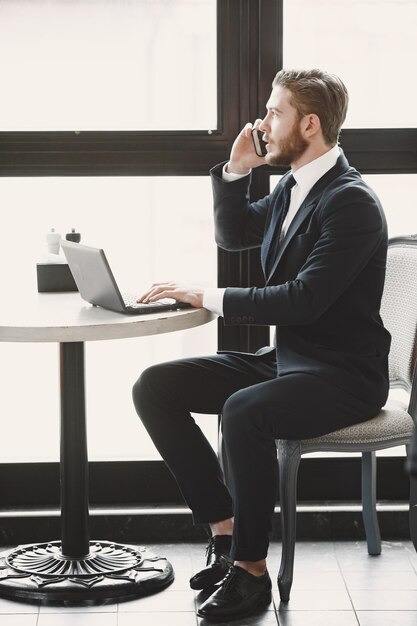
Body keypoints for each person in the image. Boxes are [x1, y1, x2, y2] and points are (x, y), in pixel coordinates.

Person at [132, 68, 391, 622]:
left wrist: (206, 294)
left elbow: (302, 301)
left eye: (275, 112)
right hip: (290, 362)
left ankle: (251, 572)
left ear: (311, 124)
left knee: (243, 410)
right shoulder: (293, 187)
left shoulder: (351, 204)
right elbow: (234, 236)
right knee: (156, 387)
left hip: (343, 375)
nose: (262, 123)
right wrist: (235, 171)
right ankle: (226, 535)